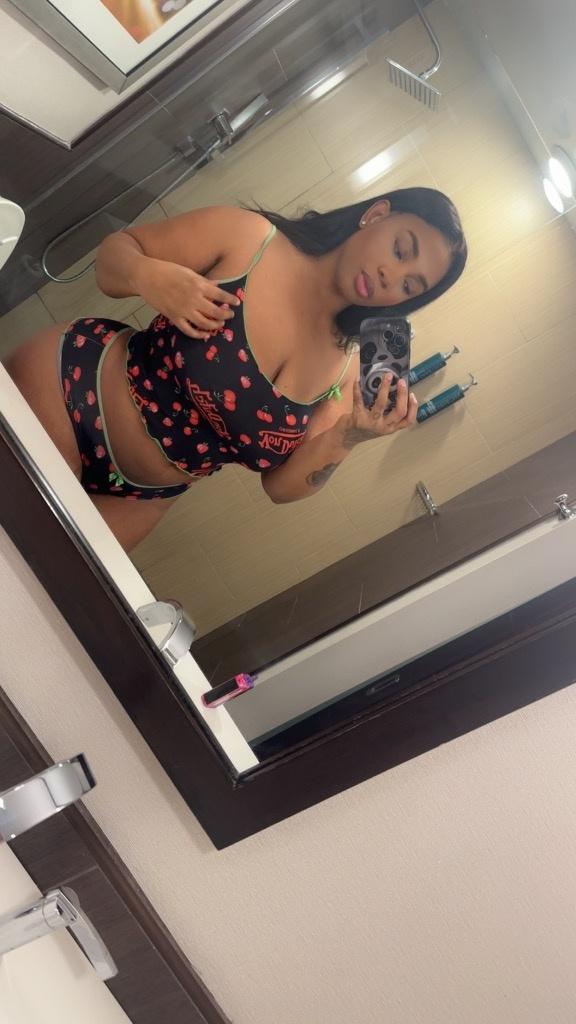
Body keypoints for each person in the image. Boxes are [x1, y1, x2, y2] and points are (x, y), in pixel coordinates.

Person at [4, 188, 467, 551]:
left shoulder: (345, 375)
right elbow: (113, 256)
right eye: (401, 250)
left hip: (141, 496)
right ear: (376, 215)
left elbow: (280, 488)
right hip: (71, 391)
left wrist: (350, 436)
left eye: (410, 286)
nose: (391, 277)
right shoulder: (250, 238)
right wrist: (148, 276)